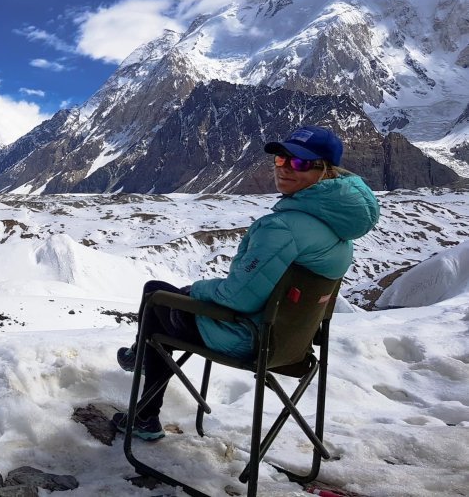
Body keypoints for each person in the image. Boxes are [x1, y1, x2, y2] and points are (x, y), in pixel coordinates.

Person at [112, 125, 380, 440]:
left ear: (327, 172)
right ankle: (142, 361)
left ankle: (144, 404)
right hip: (293, 345)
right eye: (282, 160)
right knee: (165, 306)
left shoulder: (282, 228)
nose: (286, 169)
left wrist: (196, 290)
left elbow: (238, 298)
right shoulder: (340, 232)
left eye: (301, 164)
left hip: (247, 338)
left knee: (156, 297)